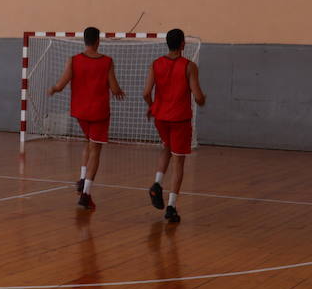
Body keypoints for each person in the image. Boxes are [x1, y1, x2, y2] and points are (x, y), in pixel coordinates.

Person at [49, 27, 125, 210]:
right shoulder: (106, 61)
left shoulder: (73, 60)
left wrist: (53, 89)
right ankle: (86, 195)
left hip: (80, 112)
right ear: (98, 41)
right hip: (98, 113)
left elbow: (61, 84)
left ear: (84, 41)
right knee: (95, 151)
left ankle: (83, 179)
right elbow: (114, 88)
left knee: (87, 143)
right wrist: (119, 91)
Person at [143, 28, 206, 224]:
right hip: (179, 119)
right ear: (183, 44)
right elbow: (197, 96)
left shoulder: (156, 64)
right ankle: (171, 207)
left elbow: (146, 92)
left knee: (166, 148)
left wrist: (151, 106)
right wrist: (203, 99)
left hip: (160, 117)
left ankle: (157, 183)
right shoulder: (189, 66)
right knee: (179, 163)